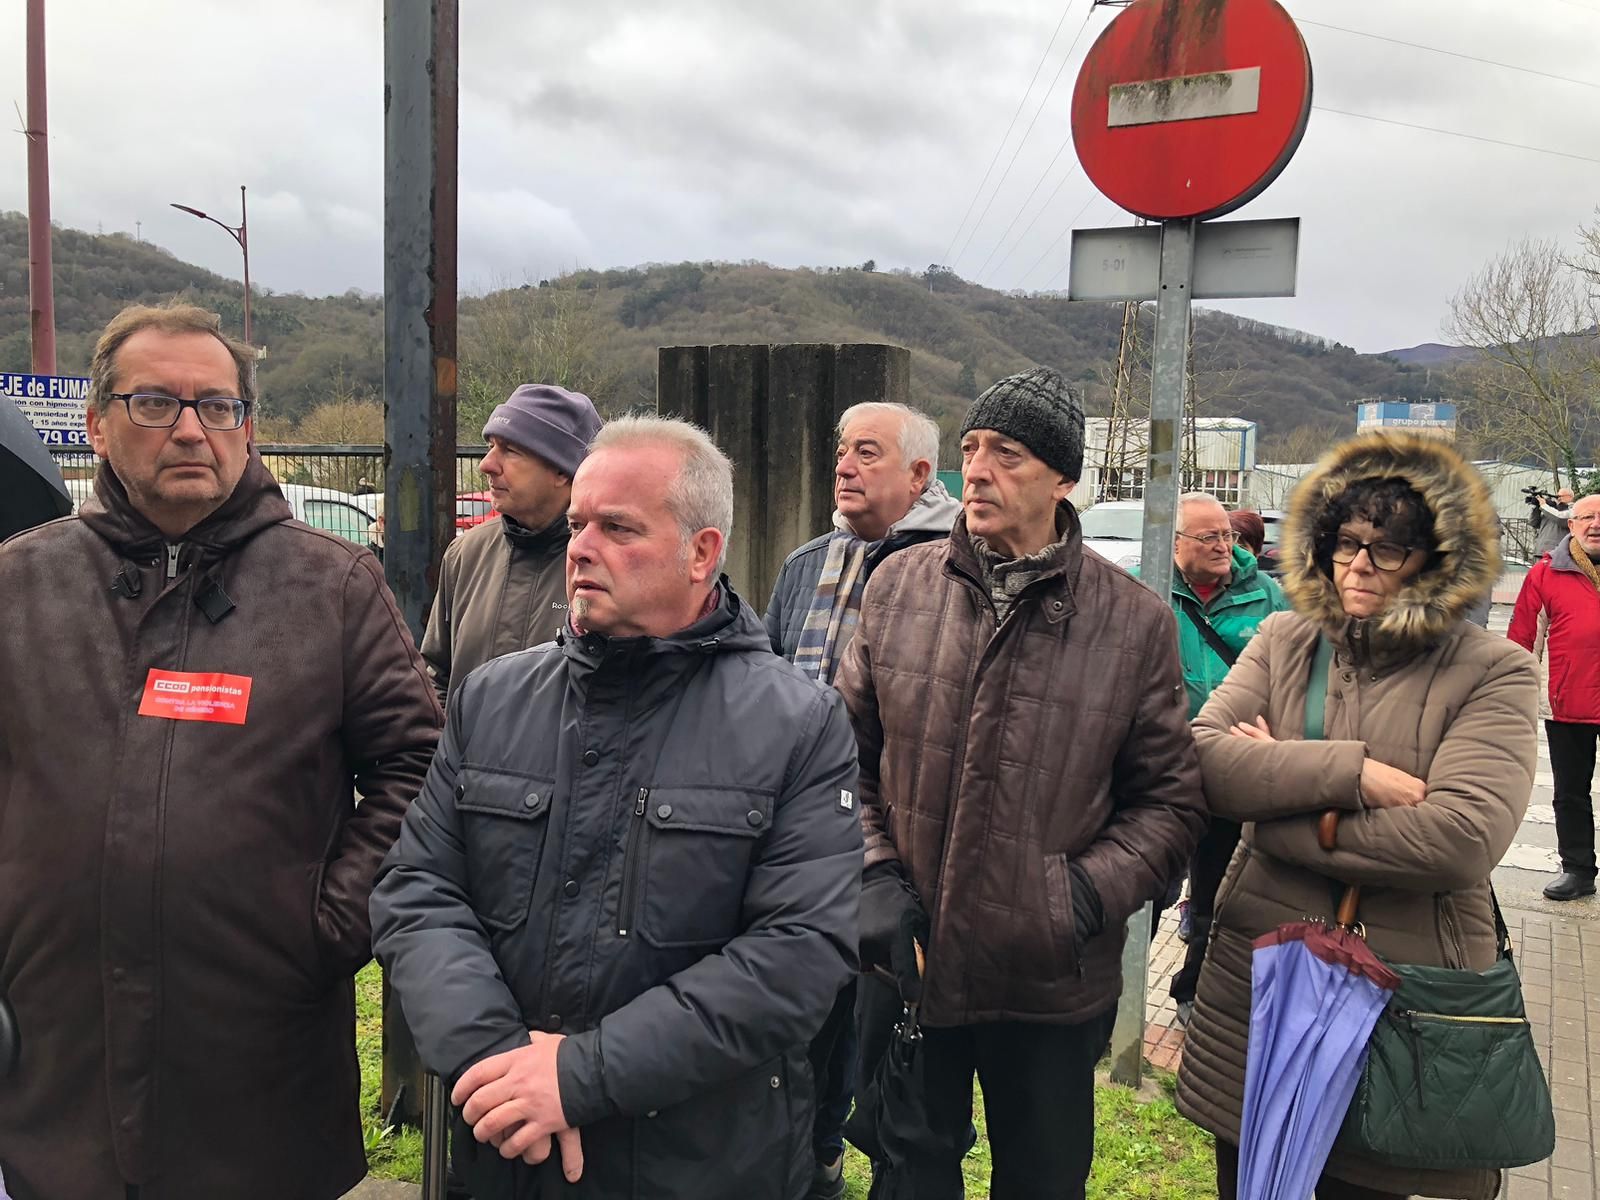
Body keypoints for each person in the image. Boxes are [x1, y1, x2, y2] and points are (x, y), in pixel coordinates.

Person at [0, 303, 443, 1199]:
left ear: (249, 425)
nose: (193, 429)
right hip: (56, 1045)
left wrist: (328, 925)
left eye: (219, 406)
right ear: (97, 423)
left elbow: (418, 765)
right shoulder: (19, 584)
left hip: (258, 1054)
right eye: (156, 403)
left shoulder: (332, 586)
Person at [371, 416, 863, 1200]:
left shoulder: (797, 725)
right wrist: (499, 1066)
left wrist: (578, 1076)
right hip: (506, 1155)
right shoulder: (493, 699)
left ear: (702, 552)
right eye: (577, 524)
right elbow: (418, 890)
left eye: (618, 527)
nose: (581, 547)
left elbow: (798, 955)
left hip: (701, 1167)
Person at [835, 367, 1205, 1200]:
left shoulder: (1133, 621)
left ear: (1063, 478)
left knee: (1042, 1181)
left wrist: (1069, 902)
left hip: (1048, 986)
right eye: (971, 450)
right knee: (907, 1174)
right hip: (909, 968)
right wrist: (874, 880)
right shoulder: (898, 586)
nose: (980, 471)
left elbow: (1171, 803)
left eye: (1008, 452)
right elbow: (839, 762)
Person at [1175, 430, 1536, 1200]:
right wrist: (1355, 775)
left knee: (1366, 1179)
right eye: (1345, 544)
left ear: (1437, 558)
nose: (1359, 567)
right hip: (1260, 984)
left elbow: (1460, 840)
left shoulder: (1495, 671)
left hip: (1404, 997)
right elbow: (1202, 761)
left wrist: (1273, 812)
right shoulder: (1285, 638)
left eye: (1389, 549)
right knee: (1252, 1177)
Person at [764, 400, 959, 1200]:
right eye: (842, 450)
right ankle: (808, 1160)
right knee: (794, 1012)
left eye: (867, 453)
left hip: (891, 843)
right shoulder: (808, 563)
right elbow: (765, 681)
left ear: (920, 474)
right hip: (794, 833)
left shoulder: (952, 565)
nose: (843, 465)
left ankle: (864, 1156)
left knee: (875, 1029)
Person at [1146, 493, 1289, 1023]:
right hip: (1161, 772)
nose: (1223, 546)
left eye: (1226, 535)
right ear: (1174, 541)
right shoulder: (1144, 589)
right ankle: (1116, 994)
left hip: (1233, 771)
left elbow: (1302, 673)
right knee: (1149, 890)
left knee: (1215, 896)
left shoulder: (1268, 596)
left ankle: (1193, 993)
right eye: (1208, 537)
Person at [421, 383, 603, 705]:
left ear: (562, 470)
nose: (486, 464)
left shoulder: (600, 562)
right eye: (491, 446)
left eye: (511, 450)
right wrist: (444, 744)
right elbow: (435, 673)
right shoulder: (466, 553)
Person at [1509, 491, 1600, 900]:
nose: (1596, 524)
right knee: (1570, 792)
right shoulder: (1545, 575)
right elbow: (1523, 641)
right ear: (1571, 525)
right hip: (1568, 705)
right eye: (1587, 517)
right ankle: (1578, 870)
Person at [1529, 486, 1574, 559]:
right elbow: (1533, 523)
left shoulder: (1573, 509)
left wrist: (1544, 505)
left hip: (1557, 553)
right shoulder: (1550, 509)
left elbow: (1560, 518)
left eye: (1560, 496)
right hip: (1540, 551)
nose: (1558, 498)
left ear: (1570, 497)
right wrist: (1537, 507)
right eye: (1557, 496)